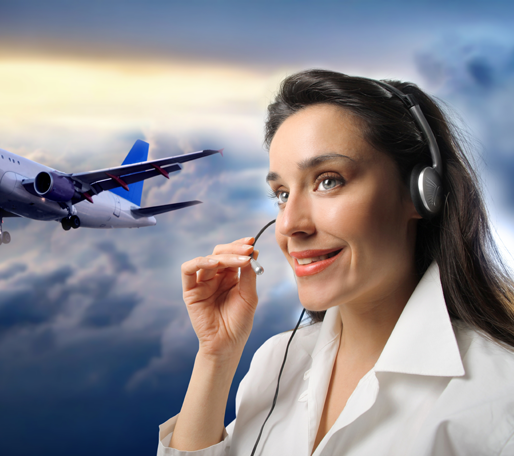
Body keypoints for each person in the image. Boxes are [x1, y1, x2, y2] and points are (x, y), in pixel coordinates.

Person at [156, 69, 514, 456]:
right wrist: (215, 356)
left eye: (328, 181)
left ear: (421, 193)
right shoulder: (276, 361)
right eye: (281, 193)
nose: (289, 224)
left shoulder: (499, 398)